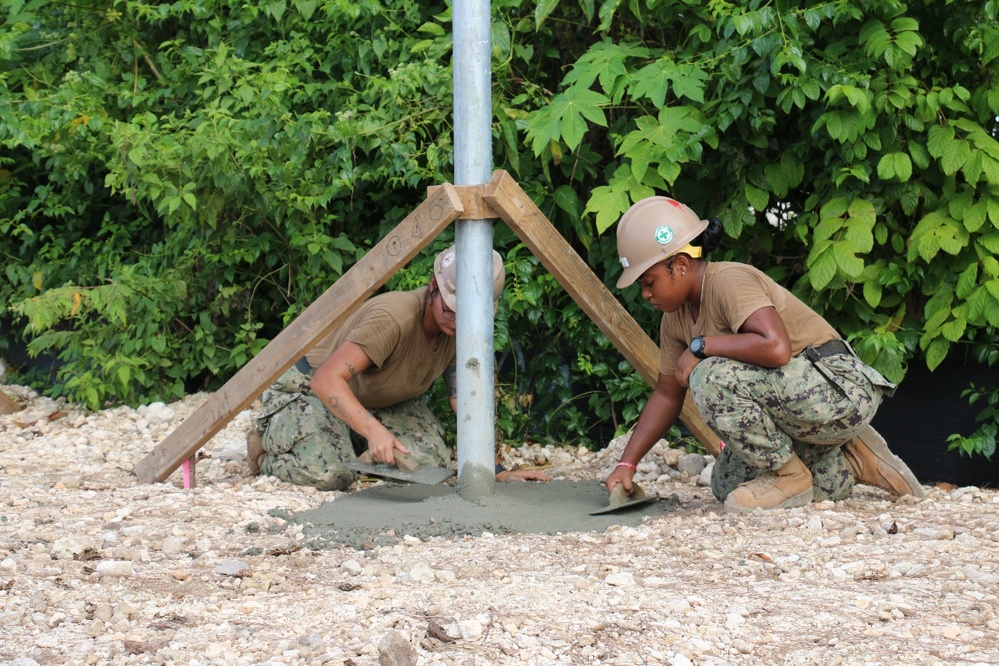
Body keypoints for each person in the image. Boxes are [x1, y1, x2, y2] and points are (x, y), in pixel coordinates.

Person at [603, 196, 924, 512]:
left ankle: (789, 476)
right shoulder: (674, 319)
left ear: (681, 265)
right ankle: (849, 460)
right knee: (726, 483)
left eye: (649, 282)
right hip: (800, 401)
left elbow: (776, 347)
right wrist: (627, 464)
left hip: (840, 387)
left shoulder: (728, 281)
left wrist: (701, 347)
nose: (645, 294)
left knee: (709, 376)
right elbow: (667, 394)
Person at [246, 245, 550, 490]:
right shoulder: (393, 318)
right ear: (434, 286)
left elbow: (465, 403)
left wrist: (494, 470)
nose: (458, 323)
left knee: (431, 463)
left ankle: (349, 438)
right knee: (331, 473)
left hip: (376, 400)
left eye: (468, 316)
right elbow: (326, 381)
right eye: (451, 311)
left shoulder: (461, 332)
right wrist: (374, 431)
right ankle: (264, 448)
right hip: (310, 389)